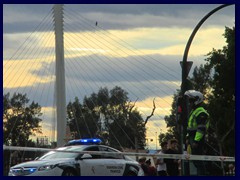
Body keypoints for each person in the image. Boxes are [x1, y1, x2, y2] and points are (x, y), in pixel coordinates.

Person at [184, 90, 209, 176]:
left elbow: (201, 129)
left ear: (197, 100)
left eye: (191, 100)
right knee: (195, 160)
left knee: (199, 161)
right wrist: (187, 137)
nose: (189, 102)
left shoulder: (201, 112)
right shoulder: (194, 111)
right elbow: (190, 126)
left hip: (197, 139)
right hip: (192, 138)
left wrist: (196, 141)